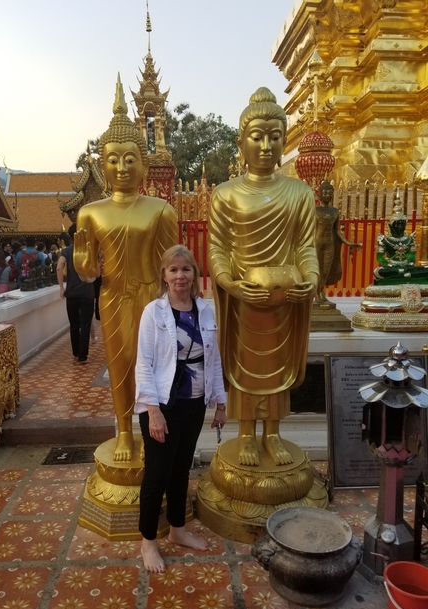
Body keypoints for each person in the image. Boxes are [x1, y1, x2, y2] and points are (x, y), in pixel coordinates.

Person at [208, 87, 319, 468]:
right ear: (241, 142)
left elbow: (306, 245)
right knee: (244, 369)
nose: (266, 145)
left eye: (275, 136)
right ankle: (245, 435)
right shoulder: (225, 194)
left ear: (285, 140)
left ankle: (272, 433)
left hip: (285, 299)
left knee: (278, 368)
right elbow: (218, 248)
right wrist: (229, 283)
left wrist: (311, 277)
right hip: (244, 299)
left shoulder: (299, 193)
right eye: (257, 136)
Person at [74, 75, 178, 462]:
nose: (121, 167)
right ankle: (123, 431)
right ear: (102, 165)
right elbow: (86, 272)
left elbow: (174, 264)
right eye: (112, 160)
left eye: (130, 158)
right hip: (114, 295)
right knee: (119, 364)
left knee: (155, 364)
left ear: (144, 163)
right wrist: (84, 255)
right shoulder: (90, 212)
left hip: (153, 297)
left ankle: (156, 426)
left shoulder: (161, 209)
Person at [135, 245, 227, 573]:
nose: (180, 276)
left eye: (186, 269)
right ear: (164, 275)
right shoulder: (154, 312)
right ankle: (148, 542)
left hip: (195, 402)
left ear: (195, 274)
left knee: (181, 470)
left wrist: (220, 402)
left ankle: (177, 529)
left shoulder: (205, 310)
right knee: (157, 474)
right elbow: (143, 363)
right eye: (173, 270)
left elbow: (212, 359)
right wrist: (153, 411)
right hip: (162, 404)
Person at [315, 181, 361, 303]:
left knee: (326, 270)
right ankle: (316, 293)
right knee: (317, 269)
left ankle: (321, 291)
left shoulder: (335, 211)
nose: (327, 195)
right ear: (318, 195)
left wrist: (349, 243)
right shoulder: (315, 210)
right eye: (324, 192)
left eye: (330, 193)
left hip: (330, 244)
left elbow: (337, 231)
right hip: (316, 244)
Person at [57, 223, 96, 364]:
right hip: (87, 293)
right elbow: (97, 271)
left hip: (71, 293)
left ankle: (76, 351)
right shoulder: (89, 251)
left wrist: (62, 287)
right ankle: (83, 356)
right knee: (85, 324)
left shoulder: (66, 251)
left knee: (74, 324)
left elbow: (59, 267)